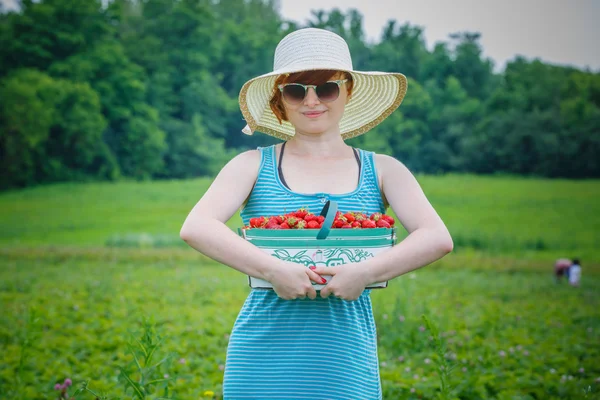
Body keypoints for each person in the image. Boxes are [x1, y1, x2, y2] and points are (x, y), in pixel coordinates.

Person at [180, 28, 453, 399]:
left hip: (345, 356)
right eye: (296, 90)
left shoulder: (384, 170)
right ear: (280, 101)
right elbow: (197, 226)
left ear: (347, 91)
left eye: (326, 88)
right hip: (263, 351)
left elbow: (436, 236)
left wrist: (366, 272)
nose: (312, 101)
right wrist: (274, 270)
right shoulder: (251, 166)